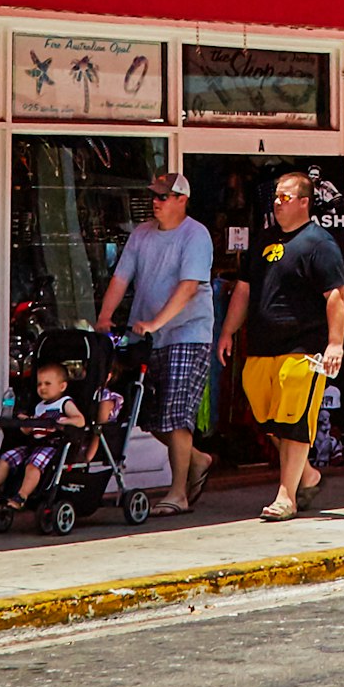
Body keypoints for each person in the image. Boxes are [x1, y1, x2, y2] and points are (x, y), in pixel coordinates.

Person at [96, 172, 217, 512]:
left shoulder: (196, 235)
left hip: (187, 333)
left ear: (182, 200)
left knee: (176, 415)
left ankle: (178, 492)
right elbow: (121, 277)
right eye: (155, 196)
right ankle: (197, 460)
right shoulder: (141, 234)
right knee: (147, 415)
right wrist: (105, 317)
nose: (157, 202)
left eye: (164, 197)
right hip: (147, 338)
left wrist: (157, 322)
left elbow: (189, 286)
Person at [236, 171, 344, 524]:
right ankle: (309, 476)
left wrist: (335, 344)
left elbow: (335, 296)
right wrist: (226, 332)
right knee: (265, 417)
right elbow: (243, 289)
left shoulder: (319, 243)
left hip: (305, 349)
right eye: (275, 198)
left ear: (304, 202)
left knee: (294, 421)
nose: (277, 204)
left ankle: (287, 497)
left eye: (285, 198)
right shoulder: (263, 240)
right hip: (261, 348)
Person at [0, 357, 92, 510]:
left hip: (53, 446)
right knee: (7, 458)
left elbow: (80, 421)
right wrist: (27, 423)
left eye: (47, 384)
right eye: (39, 384)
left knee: (33, 465)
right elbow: (30, 429)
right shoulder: (39, 406)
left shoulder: (65, 402)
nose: (42, 388)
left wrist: (60, 421)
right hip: (34, 444)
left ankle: (22, 496)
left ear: (62, 386)